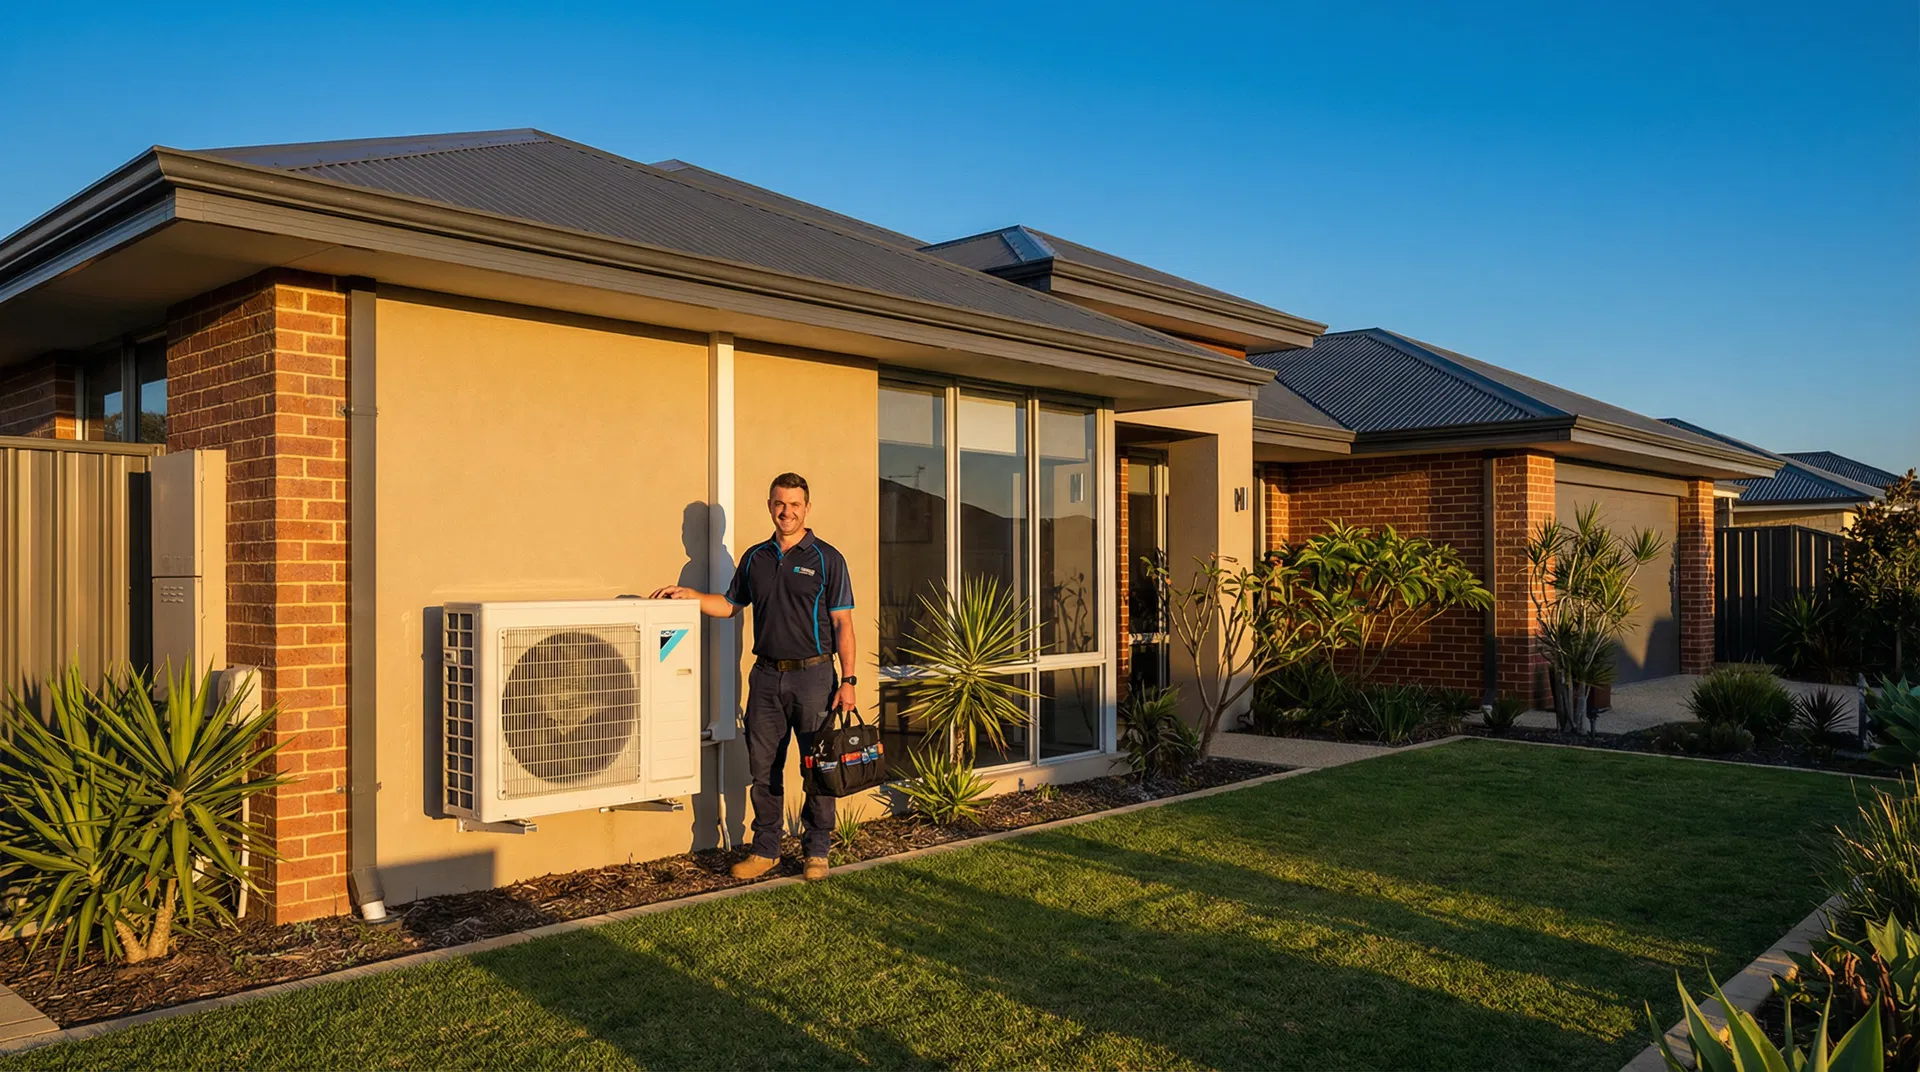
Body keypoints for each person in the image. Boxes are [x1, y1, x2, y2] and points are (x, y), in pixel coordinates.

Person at [651, 472, 857, 882]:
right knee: (763, 770)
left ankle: (817, 852)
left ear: (807, 508)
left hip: (815, 677)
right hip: (765, 678)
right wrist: (691, 596)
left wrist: (848, 681)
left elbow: (843, 625)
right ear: (769, 506)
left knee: (818, 767)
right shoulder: (755, 558)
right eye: (780, 503)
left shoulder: (827, 559)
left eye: (795, 504)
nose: (787, 511)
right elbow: (729, 605)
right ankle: (766, 850)